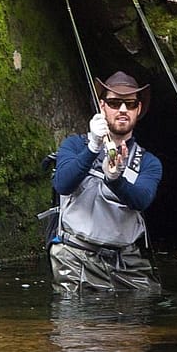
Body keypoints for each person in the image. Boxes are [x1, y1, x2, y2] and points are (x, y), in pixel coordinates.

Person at [47, 71, 162, 294]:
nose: (122, 110)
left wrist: (115, 179)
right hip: (75, 255)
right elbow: (62, 184)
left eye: (129, 104)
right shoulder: (73, 145)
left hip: (126, 260)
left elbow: (142, 200)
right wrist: (92, 147)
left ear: (138, 109)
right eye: (114, 102)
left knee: (150, 304)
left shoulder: (149, 161)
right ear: (102, 107)